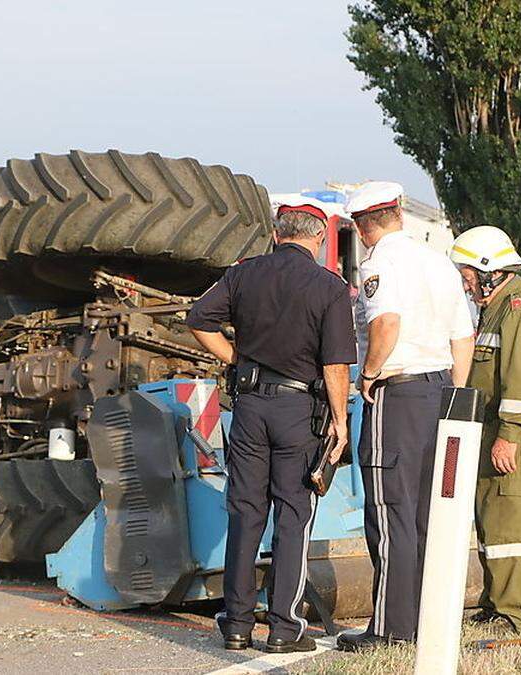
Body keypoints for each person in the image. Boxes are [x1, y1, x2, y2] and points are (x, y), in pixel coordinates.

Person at [186, 194, 357, 654]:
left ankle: (237, 625)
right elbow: (337, 363)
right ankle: (284, 627)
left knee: (244, 512)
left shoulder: (243, 274)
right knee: (293, 516)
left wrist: (236, 360)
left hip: (249, 409)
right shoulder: (329, 287)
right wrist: (339, 421)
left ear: (276, 234)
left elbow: (198, 318)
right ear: (319, 238)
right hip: (299, 412)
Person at [335, 182, 475, 652]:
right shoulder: (439, 263)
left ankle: (392, 628)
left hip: (398, 394)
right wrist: (454, 395)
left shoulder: (380, 264)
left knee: (390, 512)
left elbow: (386, 324)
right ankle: (424, 618)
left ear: (362, 226)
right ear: (397, 212)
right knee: (425, 513)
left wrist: (369, 374)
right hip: (439, 391)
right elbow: (462, 337)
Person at [448, 225, 521, 638]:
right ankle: (497, 604)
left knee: (511, 519)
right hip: (497, 426)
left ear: (489, 271)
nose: (465, 282)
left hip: (518, 431)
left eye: (468, 274)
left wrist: (509, 435)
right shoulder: (496, 307)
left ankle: (517, 617)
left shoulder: (517, 309)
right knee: (492, 514)